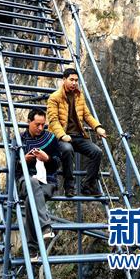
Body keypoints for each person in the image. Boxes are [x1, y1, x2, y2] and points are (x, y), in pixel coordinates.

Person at [46, 68, 106, 197]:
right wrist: (62, 135)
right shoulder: (54, 97)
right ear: (64, 80)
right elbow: (53, 120)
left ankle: (88, 185)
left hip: (78, 136)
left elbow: (87, 115)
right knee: (67, 150)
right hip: (61, 137)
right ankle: (69, 186)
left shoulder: (79, 95)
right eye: (71, 80)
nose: (74, 83)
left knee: (97, 152)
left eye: (76, 80)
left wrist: (97, 127)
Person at [17, 108, 59, 255]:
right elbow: (12, 168)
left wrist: (47, 159)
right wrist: (24, 161)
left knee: (30, 200)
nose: (41, 128)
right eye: (37, 124)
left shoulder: (51, 138)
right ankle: (46, 226)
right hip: (25, 179)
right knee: (32, 183)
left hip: (47, 181)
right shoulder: (19, 139)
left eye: (43, 125)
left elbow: (56, 164)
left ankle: (32, 249)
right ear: (29, 122)